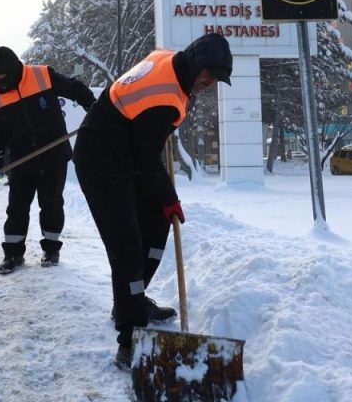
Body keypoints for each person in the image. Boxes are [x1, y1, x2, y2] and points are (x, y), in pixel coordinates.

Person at [72, 33, 233, 369]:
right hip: (101, 161)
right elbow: (148, 160)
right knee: (127, 247)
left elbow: (144, 137)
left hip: (124, 151)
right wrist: (170, 197)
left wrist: (164, 203)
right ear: (196, 64)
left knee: (158, 222)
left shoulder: (169, 61)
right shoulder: (165, 97)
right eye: (209, 76)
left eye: (216, 79)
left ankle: (132, 298)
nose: (211, 83)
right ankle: (129, 335)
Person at [0, 46, 96, 274]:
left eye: (0, 76)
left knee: (52, 205)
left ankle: (51, 249)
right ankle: (12, 254)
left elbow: (74, 88)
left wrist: (93, 106)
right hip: (21, 161)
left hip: (53, 156)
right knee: (16, 207)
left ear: (13, 70)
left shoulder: (42, 75)